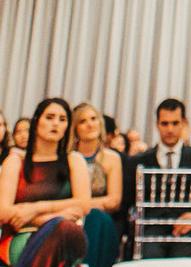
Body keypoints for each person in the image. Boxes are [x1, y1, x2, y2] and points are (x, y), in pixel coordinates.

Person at [0, 98, 89, 267]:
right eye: (49, 117)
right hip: (23, 236)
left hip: (64, 236)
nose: (56, 124)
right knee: (64, 228)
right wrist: (59, 215)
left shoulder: (74, 160)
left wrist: (34, 210)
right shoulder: (15, 162)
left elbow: (83, 205)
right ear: (36, 122)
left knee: (66, 230)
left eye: (62, 119)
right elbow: (3, 212)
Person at [124, 99, 191, 257]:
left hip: (188, 229)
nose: (170, 129)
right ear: (157, 125)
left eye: (175, 123)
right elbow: (127, 201)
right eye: (165, 123)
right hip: (150, 229)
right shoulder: (139, 162)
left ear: (184, 123)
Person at [68, 103, 120, 267]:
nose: (90, 124)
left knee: (97, 217)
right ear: (75, 128)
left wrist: (81, 204)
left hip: (100, 220)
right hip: (69, 216)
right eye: (82, 121)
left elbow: (113, 202)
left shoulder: (112, 158)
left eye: (93, 119)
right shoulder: (67, 157)